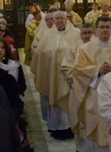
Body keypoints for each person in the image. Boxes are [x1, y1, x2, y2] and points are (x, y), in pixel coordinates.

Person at [69, 17, 111, 152]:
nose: (105, 30)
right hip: (95, 96)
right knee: (97, 129)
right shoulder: (85, 48)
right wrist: (98, 70)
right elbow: (78, 71)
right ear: (96, 30)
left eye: (108, 27)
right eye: (102, 27)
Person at [30, 10, 81, 139]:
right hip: (52, 73)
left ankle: (71, 127)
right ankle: (56, 128)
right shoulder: (47, 35)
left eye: (61, 18)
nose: (58, 21)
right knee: (54, 101)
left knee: (70, 100)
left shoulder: (76, 33)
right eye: (56, 18)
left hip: (70, 75)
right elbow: (40, 53)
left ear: (66, 19)